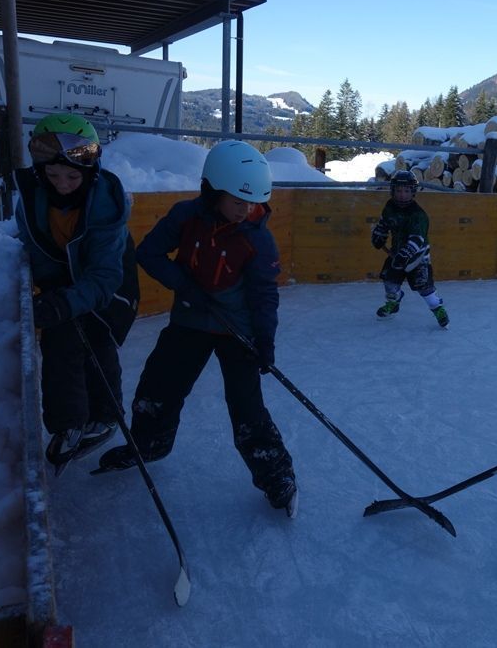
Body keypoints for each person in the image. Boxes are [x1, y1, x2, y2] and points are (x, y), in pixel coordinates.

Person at [95, 140, 298, 517]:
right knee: (158, 386)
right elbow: (148, 253)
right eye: (238, 201)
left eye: (252, 203)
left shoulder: (257, 238)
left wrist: (264, 341)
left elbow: (264, 295)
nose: (247, 210)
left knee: (246, 407)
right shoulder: (186, 216)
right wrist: (185, 285)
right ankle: (149, 443)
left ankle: (276, 474)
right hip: (190, 320)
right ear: (212, 191)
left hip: (236, 331)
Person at [15, 113, 139, 470]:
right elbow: (34, 244)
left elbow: (103, 276)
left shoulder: (105, 205)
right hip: (65, 279)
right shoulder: (34, 198)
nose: (63, 184)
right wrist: (54, 291)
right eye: (53, 176)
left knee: (97, 336)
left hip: (110, 278)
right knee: (61, 339)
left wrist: (65, 302)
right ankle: (68, 423)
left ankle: (105, 415)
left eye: (72, 176)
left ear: (89, 171)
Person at [371, 170, 449, 328]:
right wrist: (379, 234)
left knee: (425, 289)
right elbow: (385, 223)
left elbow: (417, 239)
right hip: (396, 255)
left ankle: (438, 308)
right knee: (389, 283)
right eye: (399, 190)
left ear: (413, 192)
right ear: (393, 190)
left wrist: (405, 254)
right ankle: (394, 302)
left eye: (406, 191)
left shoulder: (418, 215)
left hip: (418, 259)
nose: (402, 195)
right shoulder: (389, 207)